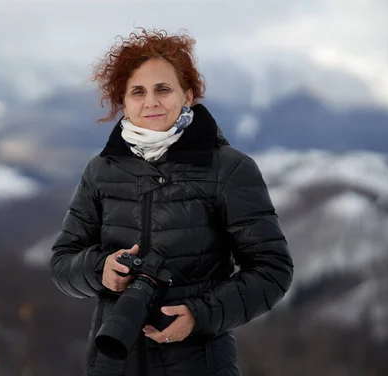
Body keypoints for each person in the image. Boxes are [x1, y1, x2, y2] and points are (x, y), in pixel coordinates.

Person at [50, 28, 294, 376]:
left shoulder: (230, 169)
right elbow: (62, 263)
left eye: (163, 89)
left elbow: (273, 269)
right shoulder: (101, 170)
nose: (150, 101)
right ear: (123, 100)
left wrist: (200, 315)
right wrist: (98, 269)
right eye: (138, 92)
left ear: (188, 95)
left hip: (199, 364)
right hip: (112, 362)